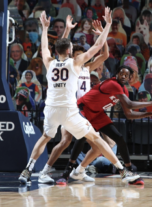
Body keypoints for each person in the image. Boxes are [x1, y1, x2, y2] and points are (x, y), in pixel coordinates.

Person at [19, 9, 141, 185]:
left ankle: (27, 170)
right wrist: (107, 24)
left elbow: (45, 47)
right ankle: (123, 172)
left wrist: (44, 28)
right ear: (69, 50)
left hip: (52, 108)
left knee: (45, 137)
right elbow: (98, 46)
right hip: (70, 109)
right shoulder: (76, 63)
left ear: (57, 50)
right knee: (95, 139)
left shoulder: (49, 62)